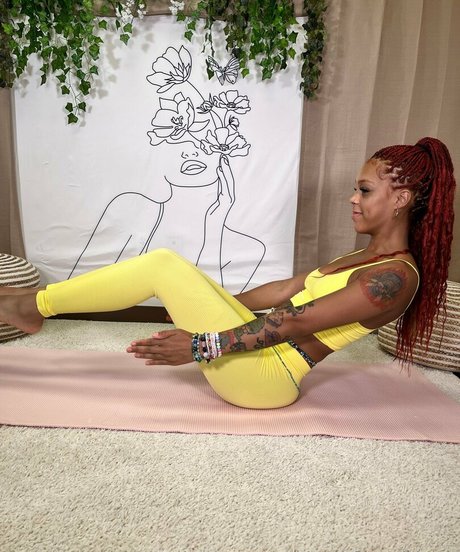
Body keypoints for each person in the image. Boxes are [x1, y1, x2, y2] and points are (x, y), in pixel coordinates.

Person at [0, 137, 455, 409]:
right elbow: (284, 289)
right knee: (170, 267)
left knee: (162, 264)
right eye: (356, 189)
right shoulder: (364, 257)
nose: (353, 198)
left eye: (365, 190)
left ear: (401, 199)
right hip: (259, 358)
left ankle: (34, 306)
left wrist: (199, 344)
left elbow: (294, 322)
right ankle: (33, 304)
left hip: (266, 379)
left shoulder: (395, 278)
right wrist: (211, 304)